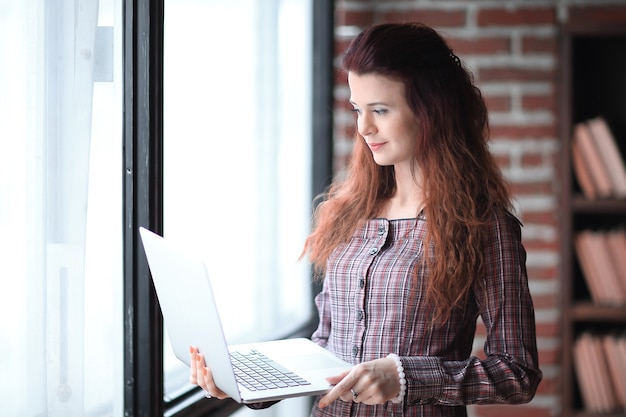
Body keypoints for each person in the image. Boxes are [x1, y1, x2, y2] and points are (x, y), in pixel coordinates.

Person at [190, 21, 542, 417]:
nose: (363, 127)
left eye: (380, 110)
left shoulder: (484, 227)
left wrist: (407, 377)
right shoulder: (349, 213)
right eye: (358, 109)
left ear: (432, 111)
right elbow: (327, 345)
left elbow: (517, 372)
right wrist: (247, 383)